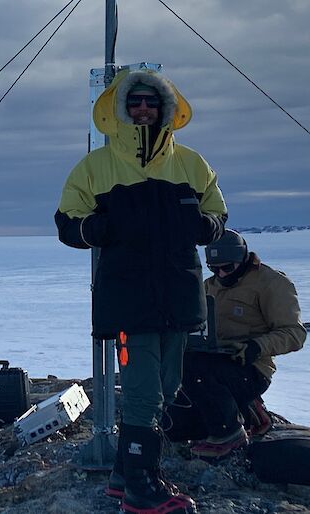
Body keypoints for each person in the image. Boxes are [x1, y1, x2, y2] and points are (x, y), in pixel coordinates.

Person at [55, 69, 227, 514]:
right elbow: (67, 223)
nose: (144, 109)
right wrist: (98, 227)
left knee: (167, 387)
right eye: (136, 103)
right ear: (122, 110)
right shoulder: (96, 167)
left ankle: (121, 474)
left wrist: (204, 225)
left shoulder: (191, 163)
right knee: (143, 393)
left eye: (152, 102)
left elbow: (217, 214)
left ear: (165, 108)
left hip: (179, 294)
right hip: (129, 299)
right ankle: (141, 487)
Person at [166, 229, 306, 458]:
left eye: (227, 268)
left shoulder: (271, 283)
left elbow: (294, 333)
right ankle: (247, 412)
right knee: (175, 426)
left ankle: (230, 433)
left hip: (250, 369)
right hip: (210, 363)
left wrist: (257, 347)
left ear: (243, 258)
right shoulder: (208, 286)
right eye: (214, 268)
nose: (221, 274)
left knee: (196, 367)